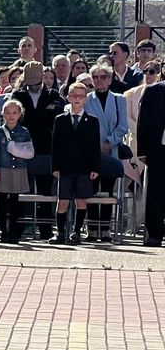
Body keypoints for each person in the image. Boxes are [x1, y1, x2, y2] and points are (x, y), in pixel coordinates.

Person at [11, 61, 63, 240]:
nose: (34, 85)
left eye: (37, 81)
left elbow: (56, 119)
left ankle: (46, 228)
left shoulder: (53, 95)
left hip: (46, 149)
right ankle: (19, 227)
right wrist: (41, 115)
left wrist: (36, 116)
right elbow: (15, 119)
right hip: (21, 147)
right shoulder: (17, 95)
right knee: (21, 190)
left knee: (45, 191)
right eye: (30, 81)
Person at [51, 76, 101, 244]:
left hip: (84, 167)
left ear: (86, 98)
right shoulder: (60, 120)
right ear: (68, 97)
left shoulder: (92, 121)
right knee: (63, 200)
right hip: (65, 166)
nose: (77, 98)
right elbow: (55, 145)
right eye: (74, 95)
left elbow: (95, 147)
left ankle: (76, 232)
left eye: (81, 95)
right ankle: (60, 232)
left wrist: (95, 168)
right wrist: (55, 166)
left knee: (81, 200)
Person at [0, 98, 34, 244]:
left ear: (20, 114)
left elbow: (29, 151)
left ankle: (14, 231)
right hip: (3, 168)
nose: (11, 116)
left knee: (15, 201)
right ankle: (4, 232)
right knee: (2, 201)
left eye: (14, 112)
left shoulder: (24, 132)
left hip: (19, 168)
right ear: (3, 114)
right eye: (7, 113)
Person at [85, 61, 129, 201]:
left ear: (109, 79)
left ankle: (105, 223)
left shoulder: (119, 99)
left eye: (102, 77)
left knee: (107, 194)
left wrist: (109, 143)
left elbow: (123, 126)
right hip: (91, 153)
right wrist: (96, 145)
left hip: (112, 152)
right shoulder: (85, 100)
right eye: (95, 77)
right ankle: (91, 224)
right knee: (90, 193)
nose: (99, 80)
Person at [136, 65, 165, 247]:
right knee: (156, 193)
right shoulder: (154, 91)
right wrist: (143, 152)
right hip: (158, 150)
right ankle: (154, 234)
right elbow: (143, 122)